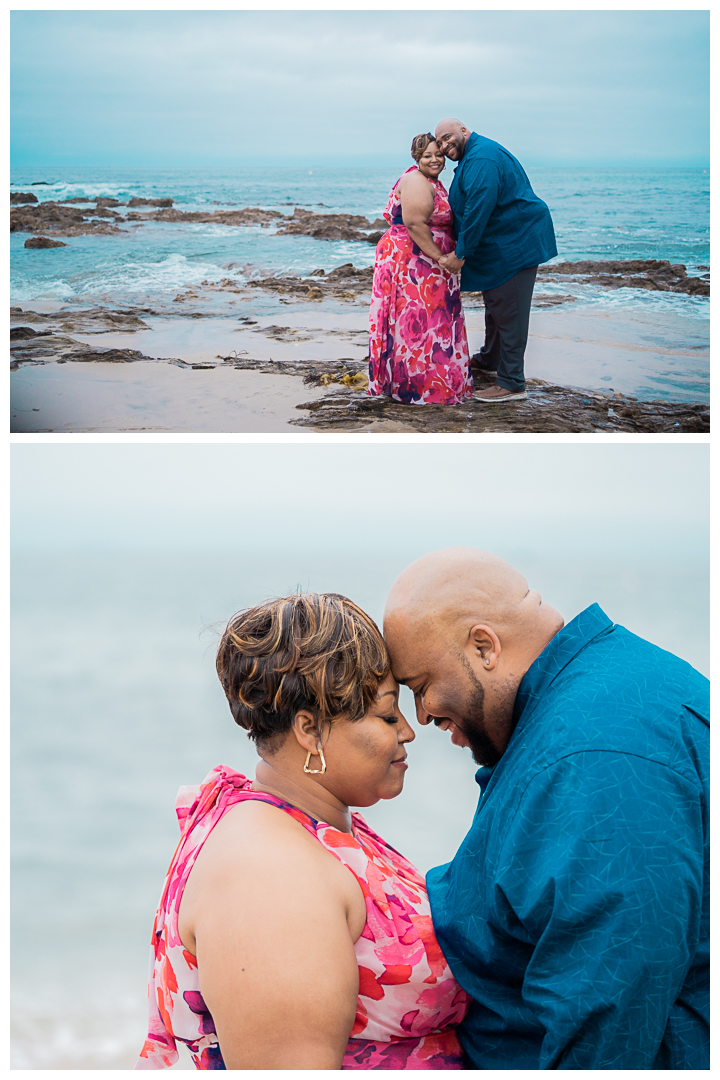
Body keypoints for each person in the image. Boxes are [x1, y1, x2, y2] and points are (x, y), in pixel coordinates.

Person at [383, 547, 709, 1070]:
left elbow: (611, 1003)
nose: (421, 716)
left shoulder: (595, 756)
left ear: (484, 646)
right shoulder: (590, 697)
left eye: (421, 687)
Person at [136, 593, 470, 1071]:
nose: (408, 732)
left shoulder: (310, 826)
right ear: (310, 730)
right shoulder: (268, 872)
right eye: (387, 715)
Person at [434, 119, 558, 405]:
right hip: (503, 242)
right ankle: (490, 358)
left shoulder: (482, 158)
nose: (444, 145)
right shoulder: (474, 155)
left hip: (516, 243)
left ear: (464, 131)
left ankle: (512, 381)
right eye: (439, 142)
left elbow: (479, 208)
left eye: (448, 137)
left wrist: (460, 254)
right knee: (496, 305)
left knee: (510, 309)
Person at [368, 133, 473, 405]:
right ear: (417, 158)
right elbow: (415, 224)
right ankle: (419, 387)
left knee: (429, 322)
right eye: (428, 155)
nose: (435, 159)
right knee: (419, 322)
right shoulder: (416, 181)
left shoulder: (430, 181)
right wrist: (442, 258)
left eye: (439, 154)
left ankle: (432, 382)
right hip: (413, 262)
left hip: (421, 260)